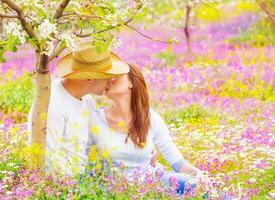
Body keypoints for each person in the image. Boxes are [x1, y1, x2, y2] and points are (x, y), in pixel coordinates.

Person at [88, 64, 208, 195]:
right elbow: (78, 158)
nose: (109, 80)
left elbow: (177, 162)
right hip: (115, 189)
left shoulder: (151, 118)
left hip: (153, 183)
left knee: (197, 186)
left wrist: (200, 176)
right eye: (107, 77)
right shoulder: (96, 119)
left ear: (131, 82)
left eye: (115, 76)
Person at [27, 41, 129, 175]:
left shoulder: (86, 100)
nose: (111, 81)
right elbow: (48, 162)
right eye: (107, 76)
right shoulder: (53, 104)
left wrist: (139, 148)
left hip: (85, 177)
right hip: (65, 186)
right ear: (89, 78)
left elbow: (99, 139)